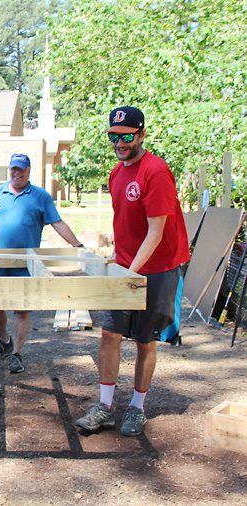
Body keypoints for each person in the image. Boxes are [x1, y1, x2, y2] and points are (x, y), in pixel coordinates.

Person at [75, 106, 190, 437]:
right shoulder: (116, 174)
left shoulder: (155, 172)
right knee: (110, 334)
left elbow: (155, 233)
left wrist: (129, 272)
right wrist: (117, 262)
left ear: (141, 135)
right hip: (127, 266)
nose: (120, 142)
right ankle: (106, 407)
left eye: (126, 136)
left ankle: (137, 408)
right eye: (114, 136)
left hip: (157, 268)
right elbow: (127, 225)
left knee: (144, 340)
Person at [0, 153, 84, 373]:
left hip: (26, 262)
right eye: (13, 169)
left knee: (21, 309)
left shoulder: (40, 196)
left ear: (29, 171)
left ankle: (17, 354)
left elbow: (58, 224)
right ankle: (5, 342)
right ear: (9, 169)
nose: (17, 173)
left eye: (21, 169)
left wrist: (78, 246)